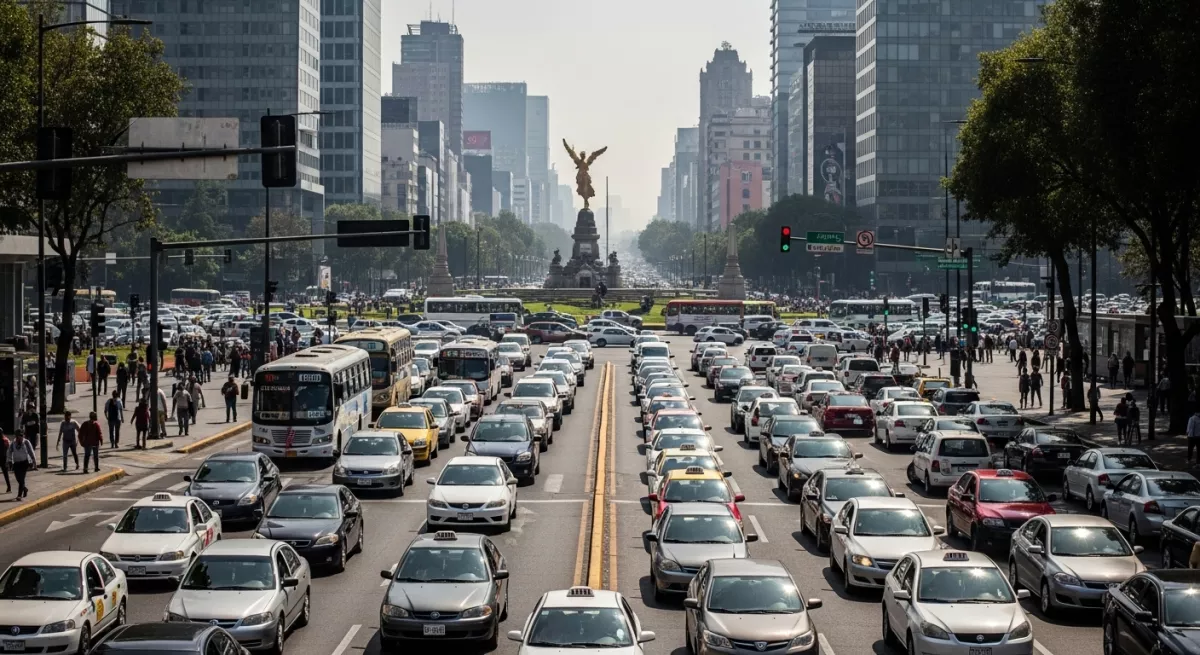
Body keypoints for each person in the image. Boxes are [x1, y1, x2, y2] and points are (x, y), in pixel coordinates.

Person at [6, 430, 36, 500]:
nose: (18, 438)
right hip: (16, 463)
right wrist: (9, 461)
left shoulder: (26, 442)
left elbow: (31, 452)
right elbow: (9, 452)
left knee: (22, 478)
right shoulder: (13, 443)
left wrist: (34, 463)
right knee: (18, 478)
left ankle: (19, 495)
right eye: (17, 436)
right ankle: (24, 489)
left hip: (24, 463)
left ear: (22, 436)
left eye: (20, 436)